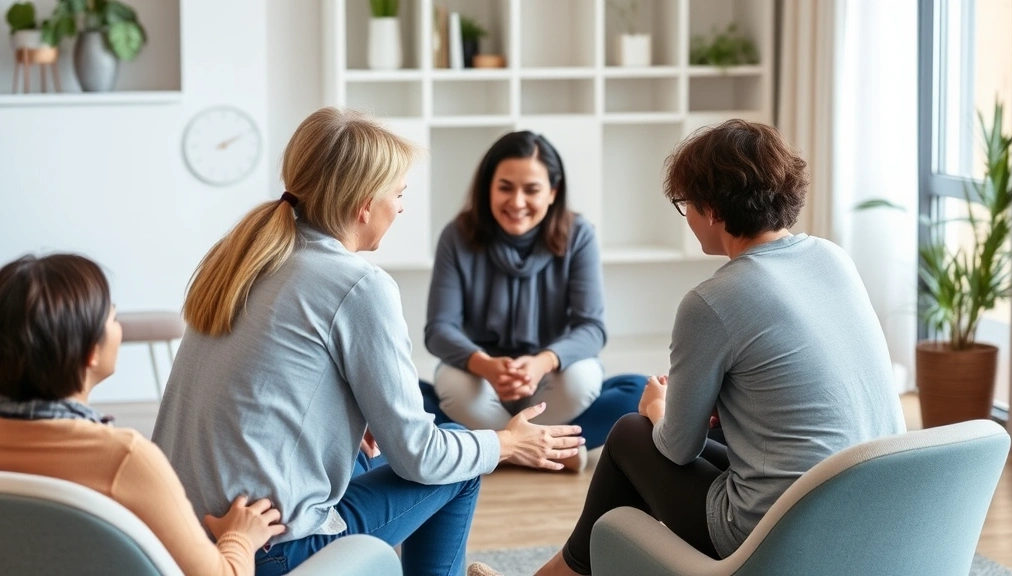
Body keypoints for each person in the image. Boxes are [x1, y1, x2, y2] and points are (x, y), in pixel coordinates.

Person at [150, 108, 584, 576]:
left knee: (368, 453)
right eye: (398, 195)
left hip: (185, 537)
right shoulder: (355, 284)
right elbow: (420, 457)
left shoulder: (242, 255)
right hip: (269, 551)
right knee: (462, 457)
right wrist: (507, 443)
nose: (400, 207)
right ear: (364, 204)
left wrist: (352, 417)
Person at [520, 119, 907, 576]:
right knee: (701, 439)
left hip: (776, 536)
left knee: (630, 434)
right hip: (876, 514)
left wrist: (658, 409)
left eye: (685, 204)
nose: (687, 218)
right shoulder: (832, 258)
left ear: (713, 209)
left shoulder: (712, 301)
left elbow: (678, 449)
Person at [0, 253, 285, 576]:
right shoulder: (124, 460)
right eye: (113, 318)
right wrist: (240, 536)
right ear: (91, 353)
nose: (118, 326)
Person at [424, 131, 617, 472]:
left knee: (614, 388)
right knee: (435, 390)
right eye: (505, 187)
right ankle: (547, 450)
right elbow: (439, 329)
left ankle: (492, 449)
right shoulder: (457, 235)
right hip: (481, 378)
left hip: (548, 380)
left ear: (553, 192)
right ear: (488, 188)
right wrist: (486, 366)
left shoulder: (579, 235)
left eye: (531, 189)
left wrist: (542, 362)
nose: (517, 202)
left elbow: (592, 328)